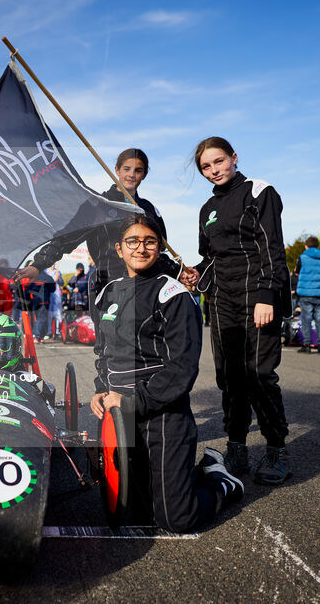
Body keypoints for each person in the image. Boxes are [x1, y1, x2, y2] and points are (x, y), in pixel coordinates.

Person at [91, 213, 243, 533]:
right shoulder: (107, 294)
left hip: (163, 414)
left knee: (176, 519)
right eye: (132, 241)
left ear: (160, 248)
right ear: (119, 249)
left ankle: (220, 481)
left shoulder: (172, 294)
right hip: (120, 416)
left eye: (150, 241)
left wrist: (133, 401)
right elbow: (103, 354)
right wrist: (100, 389)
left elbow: (182, 367)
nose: (141, 248)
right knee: (136, 510)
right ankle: (189, 475)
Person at [191, 136, 292, 485]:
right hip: (221, 301)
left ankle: (277, 449)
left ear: (233, 158)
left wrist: (267, 295)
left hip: (257, 297)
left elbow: (272, 249)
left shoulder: (260, 192)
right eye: (206, 166)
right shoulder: (207, 209)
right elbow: (210, 258)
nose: (214, 170)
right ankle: (236, 446)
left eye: (219, 161)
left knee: (259, 375)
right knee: (229, 377)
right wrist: (195, 273)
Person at [16, 148, 192, 319]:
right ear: (116, 170)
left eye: (138, 170)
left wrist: (179, 272)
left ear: (144, 175)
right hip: (108, 287)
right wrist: (38, 265)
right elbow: (65, 239)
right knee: (112, 346)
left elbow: (158, 253)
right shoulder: (97, 205)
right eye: (127, 169)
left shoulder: (148, 209)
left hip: (146, 287)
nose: (131, 174)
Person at [293, 236, 320, 354]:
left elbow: (297, 272)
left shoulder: (303, 257)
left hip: (306, 292)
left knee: (306, 319)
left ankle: (307, 344)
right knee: (319, 319)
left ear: (306, 246)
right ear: (317, 246)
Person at [46, 264, 63, 339]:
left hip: (57, 294)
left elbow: (62, 283)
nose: (52, 265)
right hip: (49, 293)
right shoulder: (46, 272)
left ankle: (57, 331)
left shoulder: (58, 272)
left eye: (54, 264)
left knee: (58, 313)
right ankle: (49, 331)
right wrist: (53, 280)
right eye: (51, 264)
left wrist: (59, 278)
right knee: (49, 313)